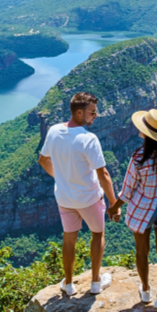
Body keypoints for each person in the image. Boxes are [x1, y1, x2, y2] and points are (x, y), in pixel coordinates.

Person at [38, 92, 120, 296]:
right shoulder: (88, 139)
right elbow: (104, 174)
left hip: (65, 198)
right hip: (89, 198)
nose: (96, 115)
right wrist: (114, 203)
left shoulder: (54, 131)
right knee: (98, 234)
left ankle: (68, 283)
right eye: (93, 112)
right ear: (80, 113)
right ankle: (95, 282)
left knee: (69, 238)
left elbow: (42, 159)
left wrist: (60, 177)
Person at [108, 108, 157, 310]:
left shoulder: (139, 158)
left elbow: (127, 191)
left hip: (142, 210)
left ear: (146, 133)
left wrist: (114, 208)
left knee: (142, 252)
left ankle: (146, 290)